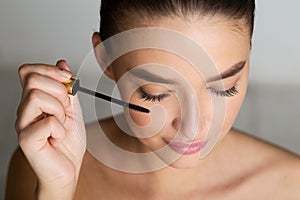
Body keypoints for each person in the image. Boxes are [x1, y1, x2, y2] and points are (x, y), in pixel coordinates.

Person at [5, 0, 300, 199]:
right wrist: (56, 190)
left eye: (224, 88)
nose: (193, 128)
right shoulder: (40, 168)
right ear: (106, 58)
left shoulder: (291, 187)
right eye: (156, 93)